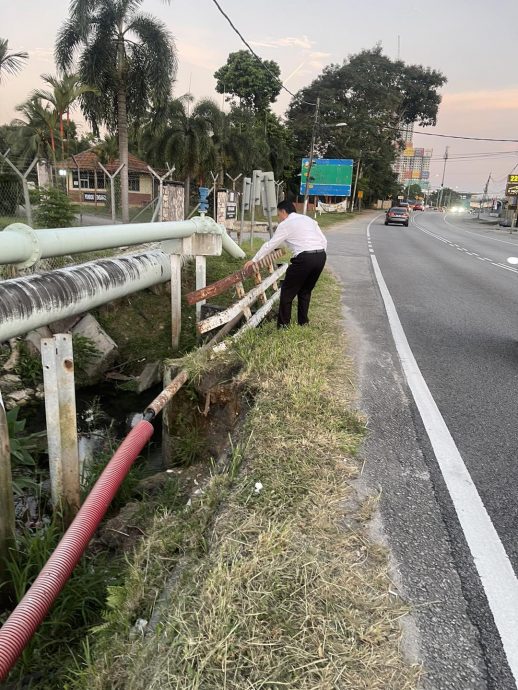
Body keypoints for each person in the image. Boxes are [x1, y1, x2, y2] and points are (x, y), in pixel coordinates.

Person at [244, 199, 327, 327]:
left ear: (283, 211)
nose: (279, 218)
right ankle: (303, 322)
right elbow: (323, 240)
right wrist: (317, 256)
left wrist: (254, 260)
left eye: (278, 214)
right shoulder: (309, 220)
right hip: (321, 256)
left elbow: (270, 245)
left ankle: (283, 326)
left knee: (287, 293)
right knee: (305, 291)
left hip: (304, 258)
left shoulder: (286, 224)